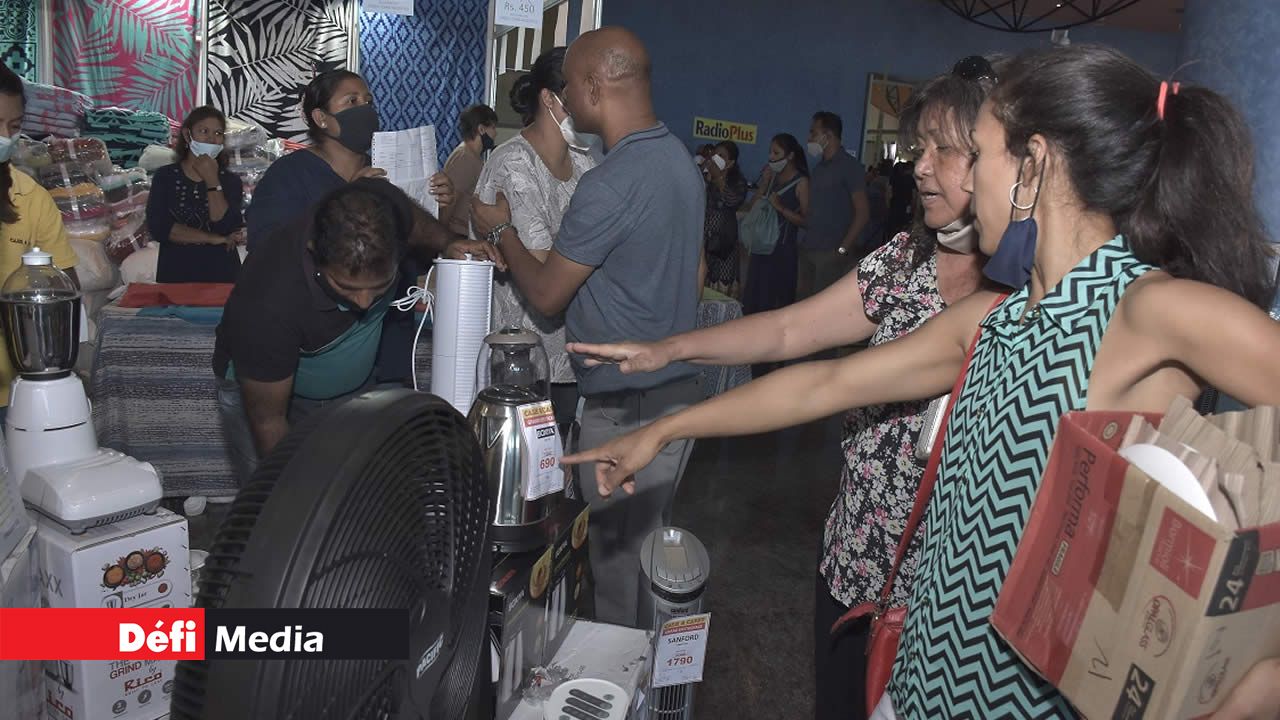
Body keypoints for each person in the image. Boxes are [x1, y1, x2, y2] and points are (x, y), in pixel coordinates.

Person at [562, 44, 1280, 719]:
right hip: (915, 686)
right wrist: (664, 427)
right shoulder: (993, 320)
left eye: (982, 154)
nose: (961, 185)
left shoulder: (1149, 310)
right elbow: (825, 383)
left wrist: (1255, 685)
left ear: (1033, 165)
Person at [564, 56, 997, 720]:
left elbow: (824, 383)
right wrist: (670, 347)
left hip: (947, 598)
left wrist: (665, 426)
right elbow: (790, 332)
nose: (921, 166)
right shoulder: (910, 255)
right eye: (921, 148)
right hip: (855, 557)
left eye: (947, 150)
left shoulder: (1026, 303)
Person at [471, 26, 704, 629]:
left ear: (596, 86)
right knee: (647, 555)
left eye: (571, 86)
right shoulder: (677, 159)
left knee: (618, 571)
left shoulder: (609, 182)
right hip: (675, 396)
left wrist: (500, 231)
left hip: (626, 408)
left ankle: (622, 686)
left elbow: (547, 295)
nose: (566, 100)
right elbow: (695, 268)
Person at [215, 179, 500, 483]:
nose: (364, 303)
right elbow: (269, 423)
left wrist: (447, 241)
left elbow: (413, 221)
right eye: (347, 288)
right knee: (276, 500)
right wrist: (297, 502)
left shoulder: (381, 211)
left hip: (347, 384)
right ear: (314, 255)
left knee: (356, 490)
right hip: (267, 396)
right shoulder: (268, 299)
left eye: (378, 288)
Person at [480, 46, 596, 435]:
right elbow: (543, 265)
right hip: (526, 353)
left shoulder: (585, 163)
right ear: (550, 98)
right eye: (582, 91)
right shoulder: (513, 163)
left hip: (574, 347)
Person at [245, 70, 456, 250]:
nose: (365, 109)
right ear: (321, 118)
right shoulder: (288, 175)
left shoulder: (383, 170)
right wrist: (349, 202)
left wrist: (440, 209)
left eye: (368, 101)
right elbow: (270, 248)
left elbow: (411, 249)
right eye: (352, 101)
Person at [0, 64, 78, 423]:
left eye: (13, 128)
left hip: (12, 389)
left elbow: (65, 286)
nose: (4, 137)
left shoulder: (31, 197)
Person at [146, 105, 244, 283]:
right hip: (176, 273)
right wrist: (212, 238)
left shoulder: (231, 181)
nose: (212, 139)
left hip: (222, 275)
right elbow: (160, 228)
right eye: (204, 131)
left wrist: (212, 180)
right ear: (187, 135)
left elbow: (225, 226)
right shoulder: (165, 177)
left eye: (218, 133)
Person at [741, 133, 808, 335]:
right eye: (770, 152)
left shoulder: (801, 183)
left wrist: (781, 208)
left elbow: (806, 221)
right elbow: (753, 207)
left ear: (790, 156)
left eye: (776, 152)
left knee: (775, 304)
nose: (771, 157)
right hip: (761, 249)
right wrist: (764, 184)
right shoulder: (773, 178)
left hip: (782, 252)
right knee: (755, 301)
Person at [799, 111, 868, 299]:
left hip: (830, 254)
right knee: (802, 305)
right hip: (809, 248)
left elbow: (862, 213)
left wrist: (842, 249)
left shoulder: (849, 167)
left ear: (828, 136)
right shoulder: (819, 168)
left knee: (821, 311)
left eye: (813, 133)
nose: (809, 138)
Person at [440, 103, 499, 238]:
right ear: (481, 129)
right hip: (456, 234)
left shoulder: (472, 157)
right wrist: (443, 238)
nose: (495, 133)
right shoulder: (465, 158)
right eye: (493, 128)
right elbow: (451, 200)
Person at [702, 140, 747, 297]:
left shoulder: (738, 182)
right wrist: (706, 179)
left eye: (721, 156)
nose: (716, 158)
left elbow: (731, 200)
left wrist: (718, 177)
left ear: (730, 163)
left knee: (721, 290)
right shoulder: (705, 177)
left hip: (724, 246)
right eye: (715, 154)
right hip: (704, 245)